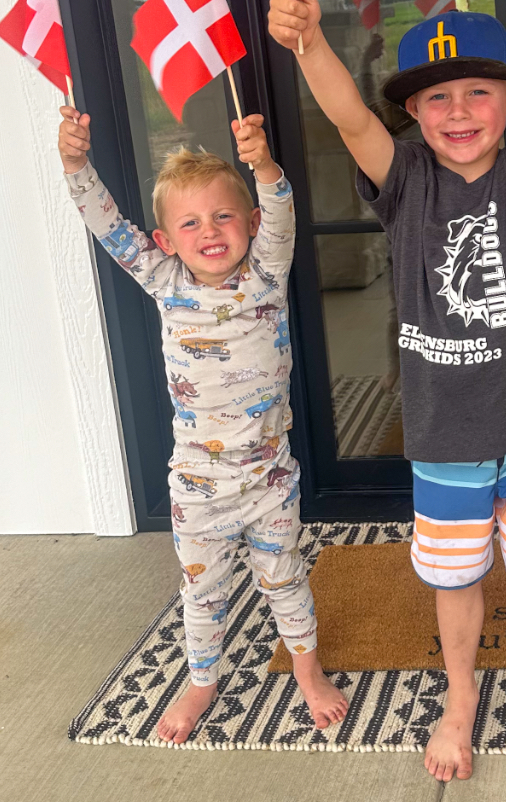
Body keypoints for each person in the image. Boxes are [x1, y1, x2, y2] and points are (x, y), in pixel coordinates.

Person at [267, 0, 506, 788]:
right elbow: (350, 120)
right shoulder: (402, 181)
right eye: (436, 97)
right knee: (455, 576)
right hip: (443, 431)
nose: (458, 111)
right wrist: (310, 46)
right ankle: (459, 700)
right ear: (412, 114)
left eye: (477, 92)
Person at [56, 105, 349, 744]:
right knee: (202, 593)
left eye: (223, 216)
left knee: (285, 577)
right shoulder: (165, 282)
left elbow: (281, 209)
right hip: (197, 485)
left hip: (270, 477)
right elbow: (111, 230)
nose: (209, 231)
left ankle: (306, 666)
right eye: (189, 222)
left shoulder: (266, 275)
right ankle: (202, 679)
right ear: (166, 241)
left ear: (248, 224)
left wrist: (264, 165)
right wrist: (77, 166)